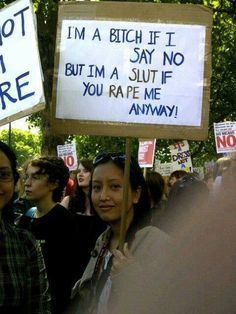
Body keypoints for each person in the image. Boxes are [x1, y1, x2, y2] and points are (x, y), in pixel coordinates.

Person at [68, 152, 170, 314]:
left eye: (115, 186)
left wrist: (132, 281)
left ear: (136, 194)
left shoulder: (157, 243)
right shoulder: (102, 241)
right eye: (97, 187)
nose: (103, 196)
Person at [17, 156, 80, 314]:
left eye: (36, 177)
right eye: (27, 176)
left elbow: (66, 277)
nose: (27, 183)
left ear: (54, 183)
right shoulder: (26, 219)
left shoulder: (64, 222)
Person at [0, 141, 51, 313]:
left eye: (3, 175)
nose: (29, 183)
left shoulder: (24, 242)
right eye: (28, 177)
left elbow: (40, 307)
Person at [61, 159, 106, 273]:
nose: (80, 174)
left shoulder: (104, 204)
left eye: (85, 171)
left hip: (95, 267)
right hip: (70, 265)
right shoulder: (68, 202)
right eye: (79, 171)